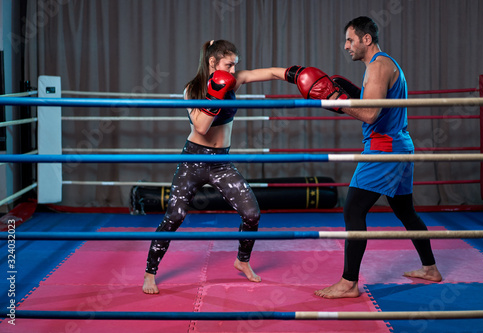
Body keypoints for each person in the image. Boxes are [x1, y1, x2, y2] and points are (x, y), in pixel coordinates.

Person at [286, 16, 442, 299]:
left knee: (353, 210)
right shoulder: (381, 65)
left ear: (366, 39)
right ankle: (430, 268)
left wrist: (338, 101)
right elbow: (376, 104)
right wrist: (351, 96)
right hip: (398, 145)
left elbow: (370, 114)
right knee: (405, 211)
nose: (346, 46)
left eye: (350, 40)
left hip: (384, 149)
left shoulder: (379, 67)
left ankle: (348, 283)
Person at [143, 40, 287, 294]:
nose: (232, 71)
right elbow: (201, 127)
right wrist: (214, 94)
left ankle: (242, 261)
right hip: (193, 160)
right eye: (228, 65)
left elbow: (269, 73)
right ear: (213, 62)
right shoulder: (192, 89)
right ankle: (149, 273)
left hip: (221, 162)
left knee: (252, 213)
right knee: (174, 216)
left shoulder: (235, 80)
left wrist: (296, 74)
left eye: (235, 66)